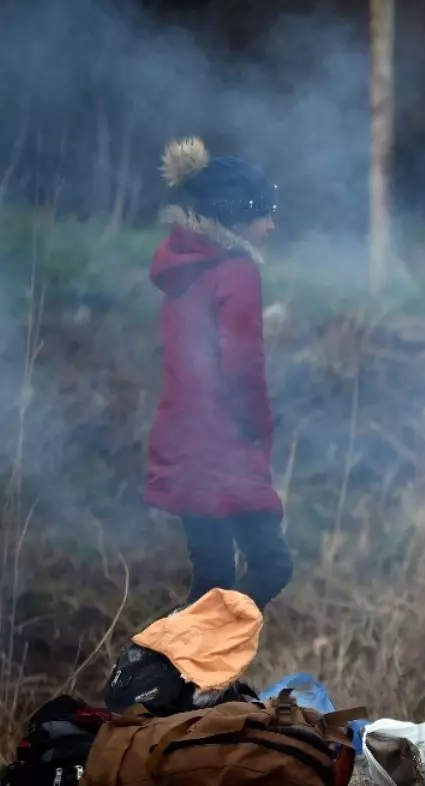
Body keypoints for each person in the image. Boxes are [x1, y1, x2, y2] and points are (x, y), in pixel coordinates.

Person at [143, 137, 292, 611]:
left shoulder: (183, 267)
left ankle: (180, 676)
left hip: (183, 440)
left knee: (212, 577)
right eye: (264, 213)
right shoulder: (236, 270)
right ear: (236, 217)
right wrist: (259, 424)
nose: (271, 223)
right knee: (270, 565)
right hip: (222, 448)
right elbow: (242, 366)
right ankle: (176, 668)